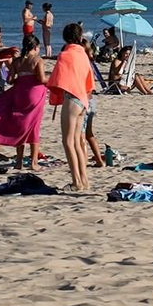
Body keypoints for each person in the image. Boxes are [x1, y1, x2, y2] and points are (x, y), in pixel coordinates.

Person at [0, 35, 49, 171]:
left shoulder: (17, 61)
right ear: (35, 47)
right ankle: (33, 162)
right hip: (34, 94)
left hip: (19, 93)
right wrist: (53, 80)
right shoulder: (38, 60)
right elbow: (41, 78)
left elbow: (9, 79)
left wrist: (21, 79)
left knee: (19, 126)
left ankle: (19, 162)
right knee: (33, 127)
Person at [48, 22, 94, 192]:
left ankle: (76, 181)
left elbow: (58, 78)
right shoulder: (83, 54)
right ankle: (84, 180)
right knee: (77, 142)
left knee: (68, 142)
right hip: (83, 100)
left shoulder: (66, 54)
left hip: (72, 98)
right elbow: (88, 80)